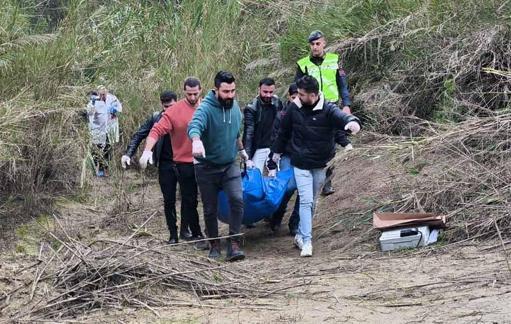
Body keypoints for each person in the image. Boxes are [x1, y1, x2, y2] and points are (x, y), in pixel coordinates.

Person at [272, 76, 361, 257]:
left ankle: (300, 234)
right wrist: (275, 155)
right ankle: (307, 241)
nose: (298, 97)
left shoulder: (327, 109)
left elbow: (342, 118)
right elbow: (283, 132)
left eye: (302, 94)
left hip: (320, 164)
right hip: (301, 162)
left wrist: (352, 122)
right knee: (305, 200)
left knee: (311, 202)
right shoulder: (294, 108)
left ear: (313, 95)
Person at [139, 81, 208, 248]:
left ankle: (197, 232)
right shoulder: (174, 111)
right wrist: (148, 150)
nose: (192, 97)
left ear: (200, 91)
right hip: (181, 162)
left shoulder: (207, 107)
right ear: (183, 92)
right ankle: (181, 234)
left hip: (202, 161)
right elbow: (156, 130)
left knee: (197, 200)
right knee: (178, 199)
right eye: (189, 94)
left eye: (195, 94)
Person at [187, 71, 248, 262]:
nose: (230, 95)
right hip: (206, 167)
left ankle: (234, 242)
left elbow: (236, 132)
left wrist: (242, 151)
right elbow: (194, 124)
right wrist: (196, 140)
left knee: (237, 199)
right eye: (226, 91)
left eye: (233, 91)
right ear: (216, 90)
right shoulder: (205, 108)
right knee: (210, 208)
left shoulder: (234, 105)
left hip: (229, 163)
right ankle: (214, 243)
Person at [121, 90, 192, 244]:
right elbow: (139, 135)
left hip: (184, 162)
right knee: (169, 200)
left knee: (187, 197)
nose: (169, 110)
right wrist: (128, 153)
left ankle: (185, 230)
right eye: (166, 107)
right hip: (166, 164)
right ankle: (173, 234)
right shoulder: (156, 118)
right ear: (161, 105)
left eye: (171, 106)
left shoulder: (187, 115)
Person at [295, 30, 353, 196]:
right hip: (311, 108)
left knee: (331, 144)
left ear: (324, 43)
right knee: (314, 142)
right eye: (312, 44)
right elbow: (297, 88)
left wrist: (346, 104)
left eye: (318, 43)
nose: (315, 47)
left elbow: (342, 85)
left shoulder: (334, 60)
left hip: (332, 106)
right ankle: (310, 178)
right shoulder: (303, 64)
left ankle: (327, 183)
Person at [267, 84, 300, 235]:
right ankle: (277, 215)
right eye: (294, 98)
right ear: (289, 97)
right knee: (288, 187)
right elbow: (275, 138)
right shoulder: (282, 115)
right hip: (287, 155)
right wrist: (273, 159)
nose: (297, 101)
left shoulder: (307, 113)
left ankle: (295, 223)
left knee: (304, 193)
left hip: (305, 157)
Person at [242, 77, 283, 173]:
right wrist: (248, 157)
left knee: (275, 179)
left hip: (273, 147)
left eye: (271, 92)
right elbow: (249, 133)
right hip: (258, 147)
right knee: (255, 177)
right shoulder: (252, 108)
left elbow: (281, 127)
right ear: (259, 90)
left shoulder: (277, 103)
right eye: (265, 92)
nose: (268, 95)